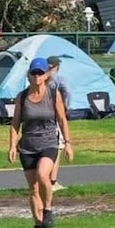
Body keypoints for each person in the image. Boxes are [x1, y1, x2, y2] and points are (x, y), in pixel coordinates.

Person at [8, 58, 74, 228]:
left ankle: (48, 210)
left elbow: (62, 118)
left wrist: (68, 143)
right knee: (34, 189)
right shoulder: (22, 97)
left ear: (46, 75)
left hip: (48, 143)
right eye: (33, 73)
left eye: (40, 73)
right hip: (28, 146)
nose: (37, 76)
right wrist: (12, 146)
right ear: (29, 75)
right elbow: (15, 123)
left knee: (43, 175)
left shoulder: (53, 94)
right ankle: (39, 224)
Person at [45, 56, 71, 192]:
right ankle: (52, 181)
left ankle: (43, 179)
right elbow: (67, 92)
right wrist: (65, 106)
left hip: (40, 117)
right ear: (56, 67)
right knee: (57, 149)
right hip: (54, 116)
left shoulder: (37, 78)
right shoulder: (58, 79)